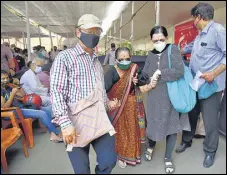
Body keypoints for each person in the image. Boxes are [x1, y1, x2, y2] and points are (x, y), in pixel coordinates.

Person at [50, 14, 118, 174]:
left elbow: (99, 89)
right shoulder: (64, 58)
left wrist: (108, 103)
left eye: (97, 31)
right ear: (78, 32)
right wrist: (65, 124)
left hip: (99, 119)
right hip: (75, 122)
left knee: (109, 160)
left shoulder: (96, 61)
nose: (93, 35)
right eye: (90, 30)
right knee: (81, 170)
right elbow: (57, 91)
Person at [133, 26, 191, 174]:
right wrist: (139, 78)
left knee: (171, 128)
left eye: (161, 39)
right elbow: (145, 73)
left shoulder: (173, 50)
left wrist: (160, 72)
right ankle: (151, 146)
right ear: (151, 40)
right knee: (153, 124)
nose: (158, 42)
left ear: (167, 38)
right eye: (155, 40)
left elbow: (179, 71)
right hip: (154, 96)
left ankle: (167, 158)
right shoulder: (151, 54)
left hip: (171, 95)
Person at [175, 3, 226, 168]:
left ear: (199, 17)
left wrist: (214, 73)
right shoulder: (199, 36)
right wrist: (179, 50)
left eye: (193, 18)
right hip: (196, 84)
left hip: (211, 86)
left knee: (210, 121)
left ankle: (210, 151)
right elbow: (191, 49)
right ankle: (186, 140)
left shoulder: (218, 31)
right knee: (191, 113)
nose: (193, 22)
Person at [104, 47, 146, 168]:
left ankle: (133, 154)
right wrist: (109, 102)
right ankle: (122, 155)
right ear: (116, 60)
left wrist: (136, 82)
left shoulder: (134, 69)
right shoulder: (111, 71)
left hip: (132, 109)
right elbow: (104, 91)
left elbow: (143, 82)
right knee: (121, 133)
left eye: (127, 59)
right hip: (118, 108)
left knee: (132, 131)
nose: (124, 61)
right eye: (121, 59)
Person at [1, 70, 62, 142]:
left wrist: (16, 87)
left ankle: (51, 127)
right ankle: (55, 134)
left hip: (21, 107)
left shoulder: (8, 87)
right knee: (42, 113)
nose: (6, 80)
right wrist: (12, 94)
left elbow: (22, 95)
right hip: (13, 112)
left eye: (7, 78)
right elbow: (4, 107)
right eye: (3, 79)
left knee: (46, 109)